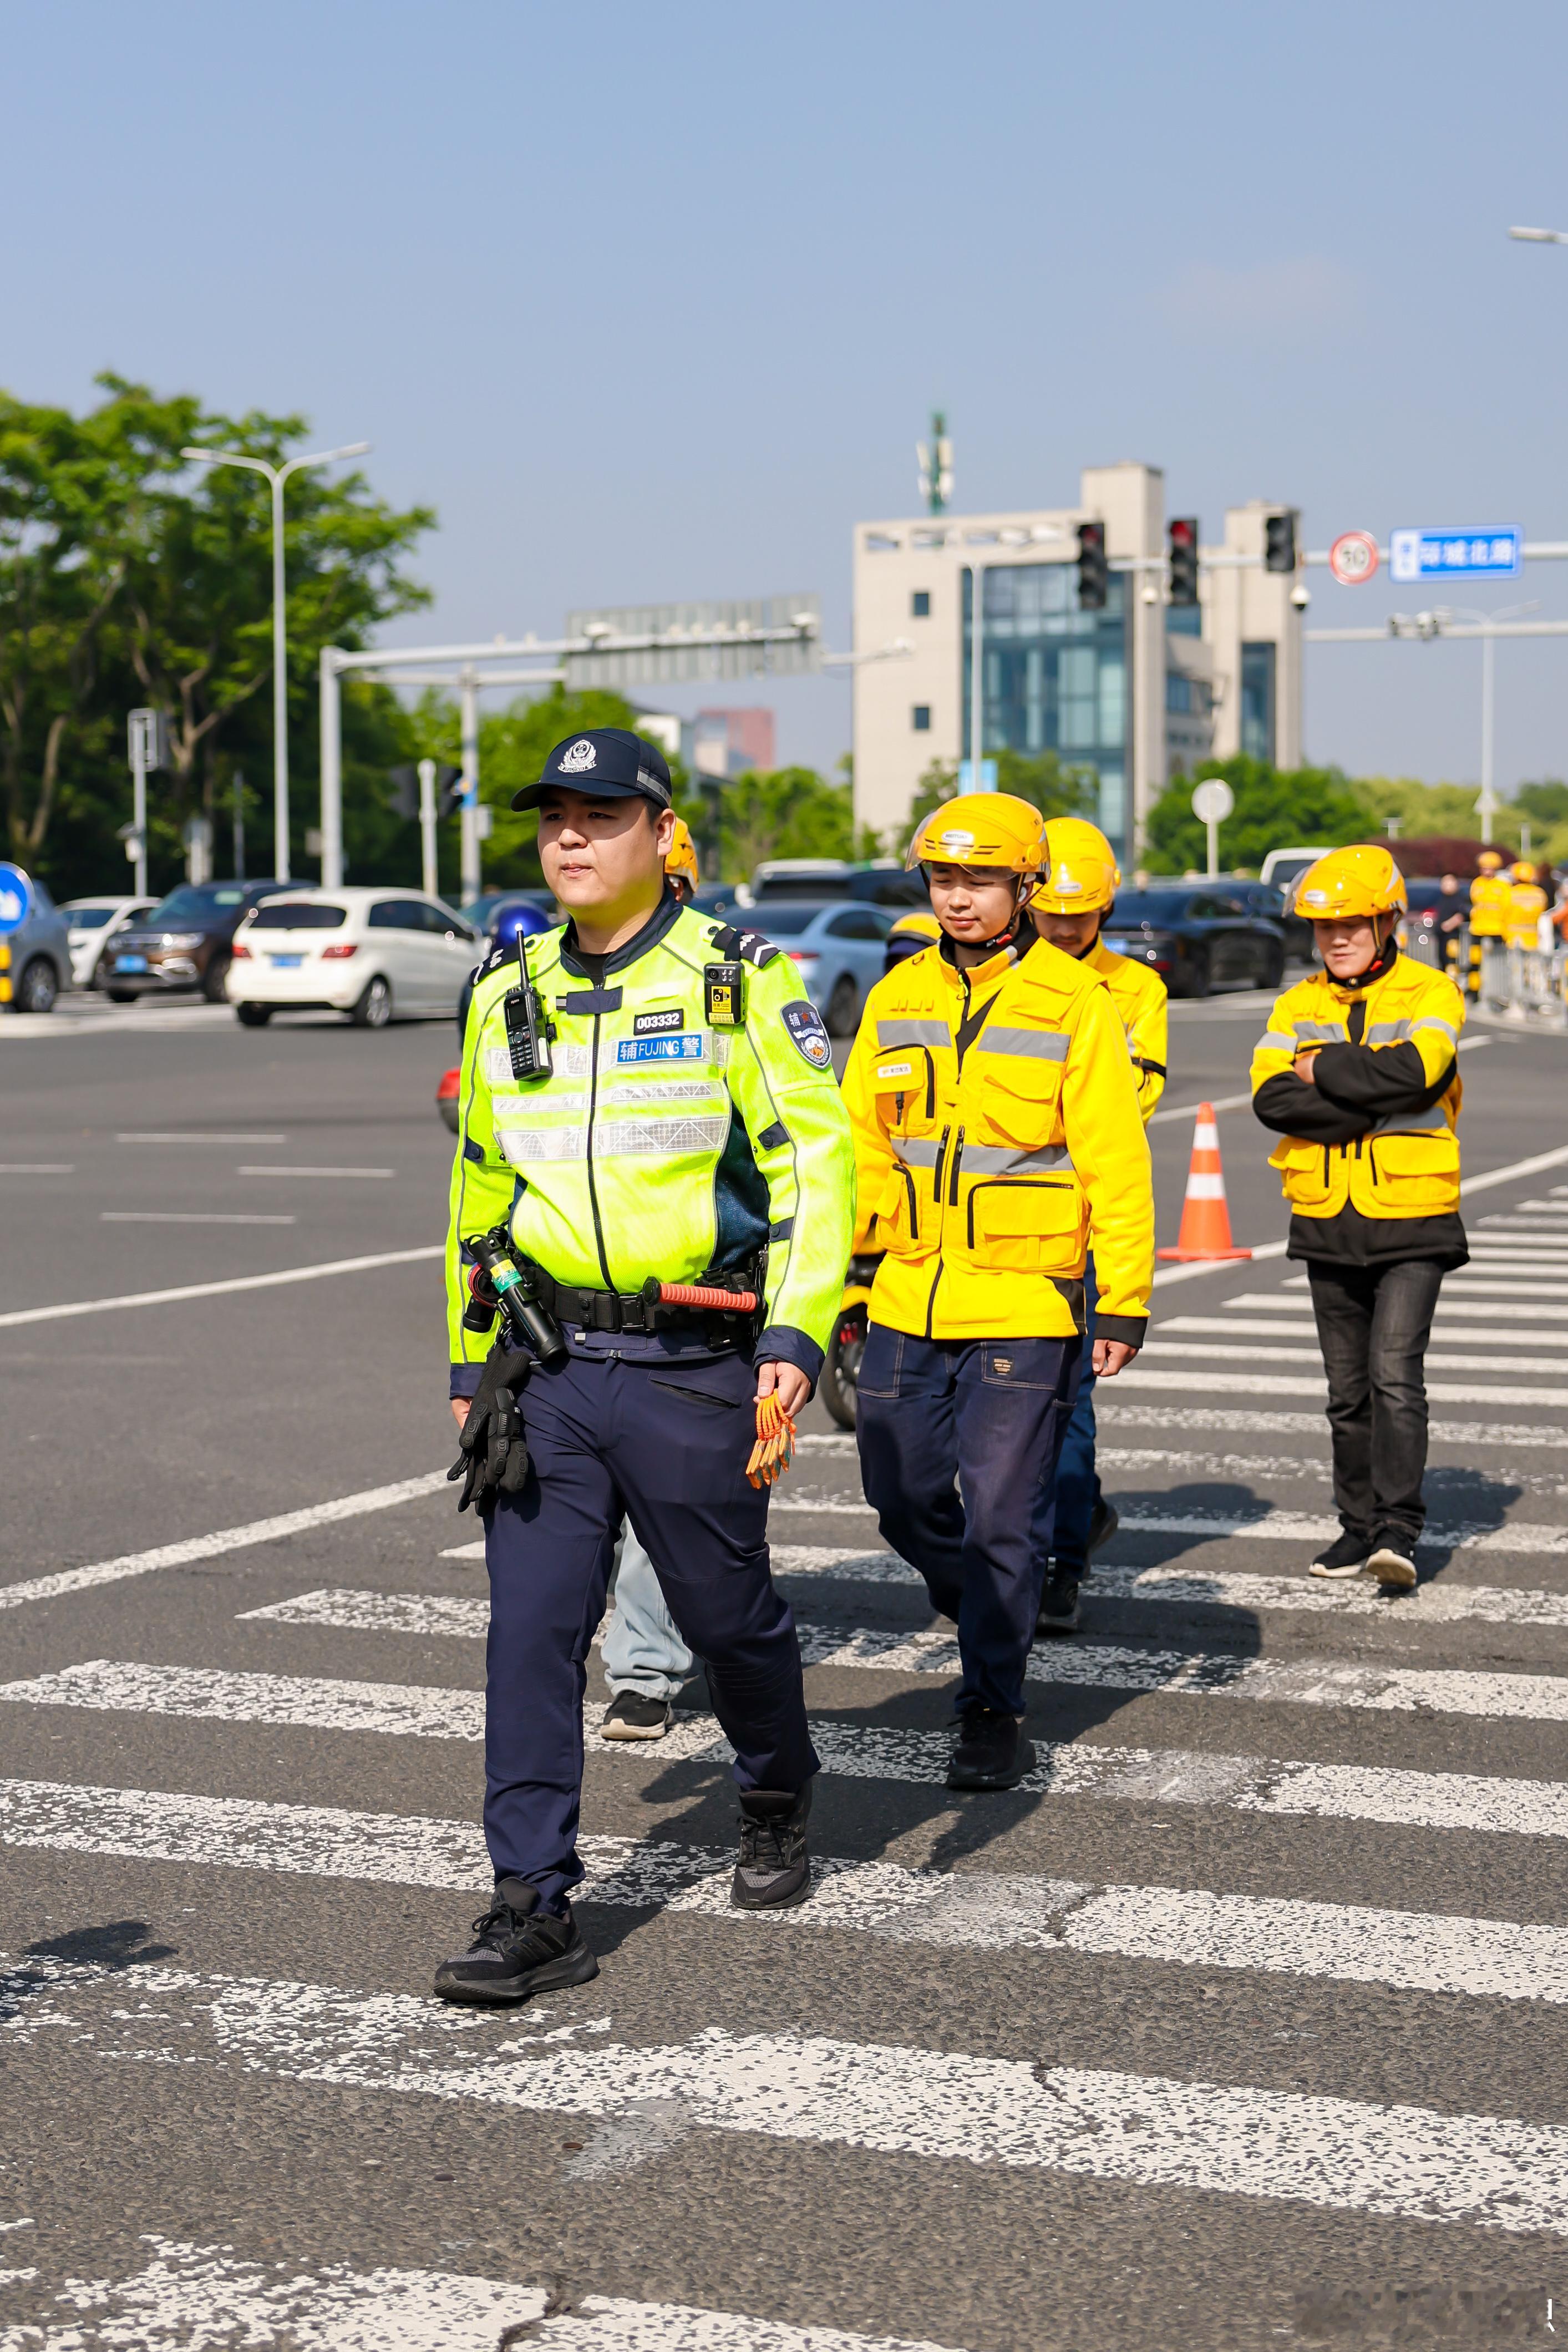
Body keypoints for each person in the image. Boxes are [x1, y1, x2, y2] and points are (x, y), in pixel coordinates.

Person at [437, 727, 855, 2003]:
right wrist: (468, 1366)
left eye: (599, 813)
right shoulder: (507, 988)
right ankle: (531, 1901)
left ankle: (775, 1787)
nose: (568, 834)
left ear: (660, 832)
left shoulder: (737, 976)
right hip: (548, 1366)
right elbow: (478, 1189)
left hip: (691, 1362)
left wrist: (794, 1330)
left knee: (727, 1617)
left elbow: (813, 1160)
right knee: (532, 1634)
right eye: (553, 814)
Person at [841, 793, 1153, 1792]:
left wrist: (1123, 1300)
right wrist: (847, 1270)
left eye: (979, 879)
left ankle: (990, 1702)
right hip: (907, 1293)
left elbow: (1116, 1161)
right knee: (895, 1492)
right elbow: (862, 1141)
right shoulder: (897, 998)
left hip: (1027, 1300)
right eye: (943, 878)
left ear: (1025, 886)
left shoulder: (1074, 1003)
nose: (959, 898)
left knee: (1003, 1519)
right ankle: (982, 1599)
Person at [1250, 845, 1466, 1591]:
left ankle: (1396, 1531)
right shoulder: (1294, 1005)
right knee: (1345, 1392)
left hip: (1411, 1216)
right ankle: (1353, 1528)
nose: (1335, 938)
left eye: (1351, 924)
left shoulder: (1430, 992)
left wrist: (1323, 1071)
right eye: (1322, 927)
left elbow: (1418, 1075)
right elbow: (1269, 1100)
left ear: (1386, 922)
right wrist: (1366, 1099)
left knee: (1392, 1376)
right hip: (1324, 1215)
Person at [1027, 817, 1168, 1632]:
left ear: (1105, 909)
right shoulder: (1009, 979)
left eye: (1079, 917)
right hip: (998, 1230)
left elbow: (1133, 1101)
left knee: (1068, 1401)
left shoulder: (1134, 990)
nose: (1064, 929)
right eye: (1051, 913)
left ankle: (1060, 1564)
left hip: (1080, 1224)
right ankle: (1061, 1523)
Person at [598, 812, 702, 1741]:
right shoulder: (567, 992)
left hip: (693, 1312)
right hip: (575, 1319)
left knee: (658, 1509)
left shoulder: (723, 994)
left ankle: (644, 1669)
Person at [1467, 848, 1509, 998]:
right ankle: (1474, 991)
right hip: (1478, 929)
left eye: (1490, 868)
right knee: (1475, 962)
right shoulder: (1477, 883)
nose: (1487, 871)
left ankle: (1498, 992)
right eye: (1484, 868)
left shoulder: (1502, 886)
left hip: (1496, 929)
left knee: (1498, 963)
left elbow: (1506, 908)